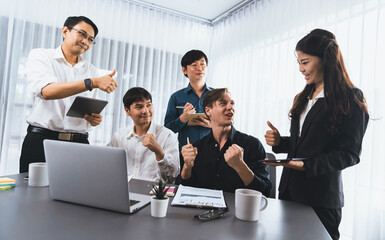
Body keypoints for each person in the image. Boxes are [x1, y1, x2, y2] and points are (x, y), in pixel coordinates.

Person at [264, 29, 369, 240]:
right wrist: (280, 142)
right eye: (299, 64)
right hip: (289, 192)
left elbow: (350, 153)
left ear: (326, 60)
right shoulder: (303, 96)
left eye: (305, 62)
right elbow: (306, 142)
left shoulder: (351, 97)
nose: (301, 69)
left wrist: (307, 165)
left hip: (321, 199)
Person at [19, 16, 118, 173]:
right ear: (65, 31)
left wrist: (93, 119)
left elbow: (87, 107)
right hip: (41, 141)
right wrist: (91, 82)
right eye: (82, 34)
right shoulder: (42, 56)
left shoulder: (90, 70)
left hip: (78, 143)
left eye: (91, 39)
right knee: (33, 193)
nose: (86, 41)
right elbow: (46, 91)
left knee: (79, 193)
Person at [181, 88, 271, 195]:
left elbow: (265, 191)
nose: (230, 107)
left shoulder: (253, 145)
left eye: (232, 103)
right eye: (223, 103)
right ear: (208, 111)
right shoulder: (197, 147)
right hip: (204, 210)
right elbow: (186, 188)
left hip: (237, 210)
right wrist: (187, 167)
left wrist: (240, 166)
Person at [108, 87, 179, 183]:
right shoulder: (120, 136)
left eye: (149, 105)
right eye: (139, 107)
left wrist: (159, 153)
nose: (146, 111)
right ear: (127, 110)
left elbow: (172, 176)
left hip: (154, 194)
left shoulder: (167, 135)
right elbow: (107, 164)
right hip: (125, 190)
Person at [164, 49, 213, 151]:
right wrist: (183, 118)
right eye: (194, 65)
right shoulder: (176, 97)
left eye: (202, 64)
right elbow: (167, 130)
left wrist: (212, 125)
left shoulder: (217, 95)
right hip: (187, 152)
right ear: (184, 70)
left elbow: (228, 124)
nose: (199, 68)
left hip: (214, 151)